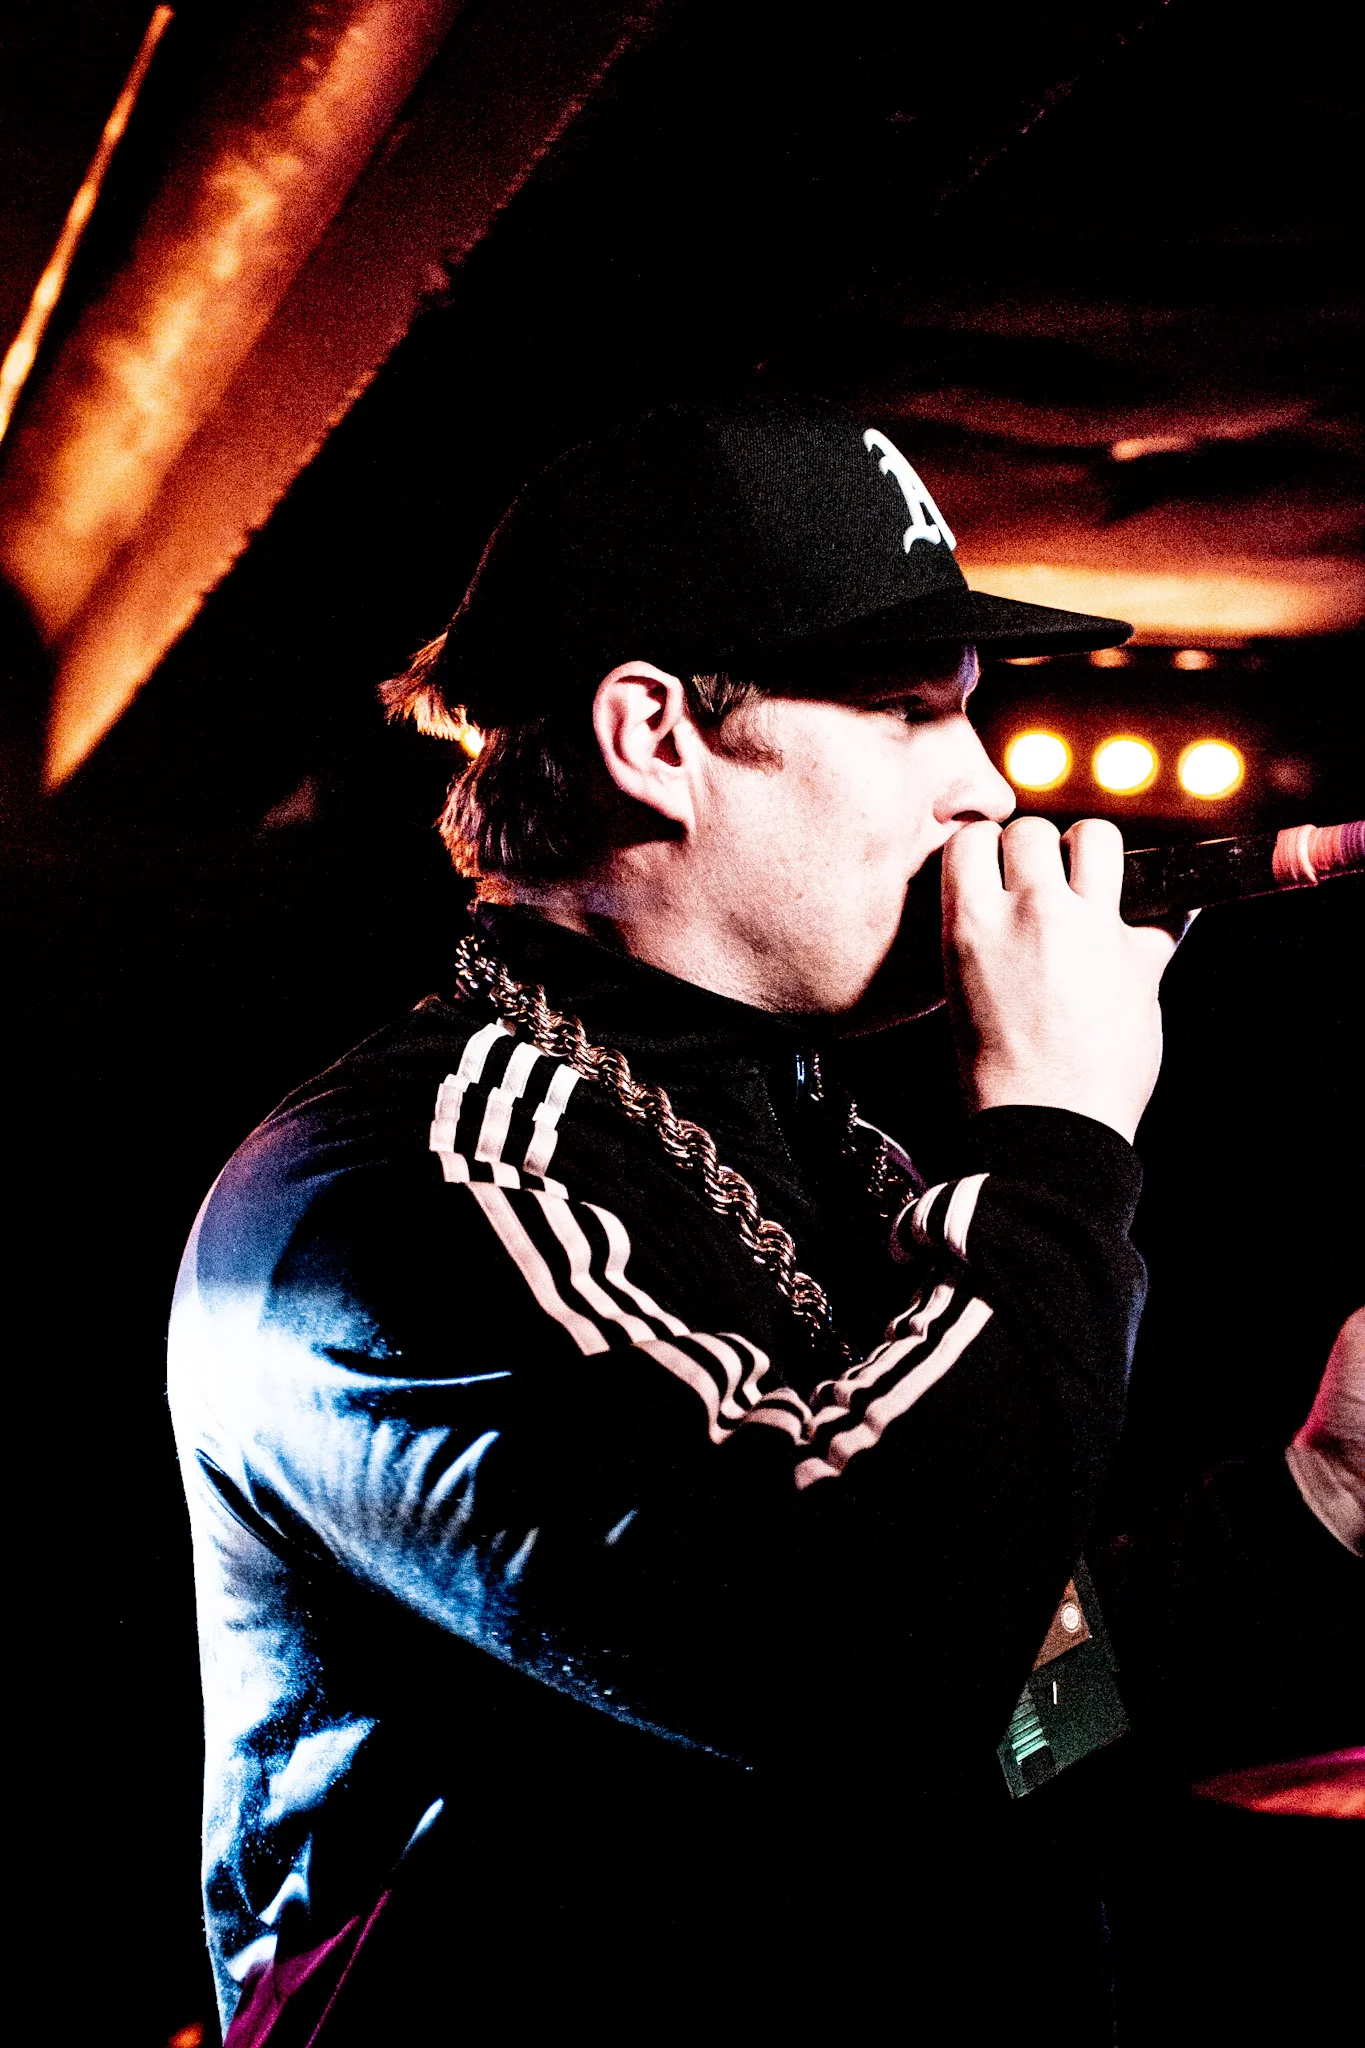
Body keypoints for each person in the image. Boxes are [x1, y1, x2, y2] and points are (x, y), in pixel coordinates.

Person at [170, 399, 1361, 2045]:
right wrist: (1059, 1135)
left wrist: (1320, 1507)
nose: (987, 786)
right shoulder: (401, 1195)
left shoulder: (812, 1149)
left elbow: (1008, 1729)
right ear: (655, 735)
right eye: (906, 710)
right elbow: (856, 1672)